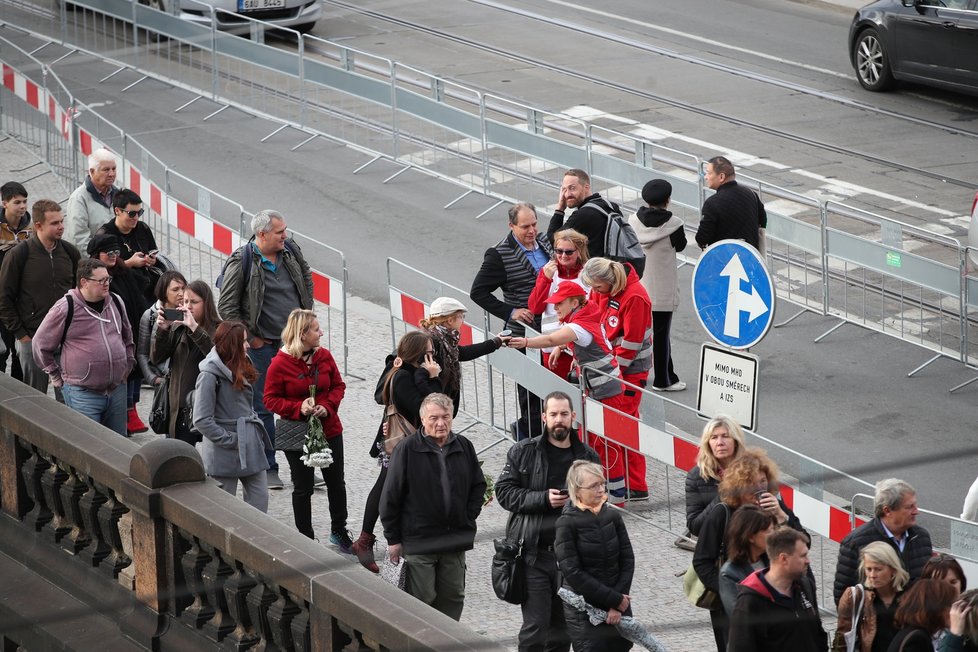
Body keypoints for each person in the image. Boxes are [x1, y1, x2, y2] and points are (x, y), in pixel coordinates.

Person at [495, 391, 600, 652]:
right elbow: (504, 492)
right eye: (553, 414)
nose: (559, 420)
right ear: (544, 417)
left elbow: (600, 503)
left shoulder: (587, 456)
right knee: (535, 629)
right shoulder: (524, 451)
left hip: (571, 560)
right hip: (534, 555)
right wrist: (542, 499)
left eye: (564, 414)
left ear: (573, 417)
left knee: (562, 632)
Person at [218, 209, 314, 490]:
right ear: (262, 234)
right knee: (263, 408)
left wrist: (306, 322)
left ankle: (305, 464)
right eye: (280, 232)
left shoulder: (291, 251)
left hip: (295, 346)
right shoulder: (242, 260)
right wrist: (253, 339)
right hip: (263, 348)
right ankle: (269, 466)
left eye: (285, 230)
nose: (286, 235)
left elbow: (306, 279)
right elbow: (227, 307)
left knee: (301, 404)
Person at [508, 283, 628, 503]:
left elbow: (555, 338)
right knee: (595, 441)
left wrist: (526, 342)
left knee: (605, 444)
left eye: (560, 303)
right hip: (603, 387)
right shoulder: (587, 311)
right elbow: (573, 340)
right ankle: (598, 490)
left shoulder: (579, 325)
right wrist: (563, 348)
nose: (555, 309)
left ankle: (616, 495)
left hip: (604, 390)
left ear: (575, 302)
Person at [380, 393, 486, 621]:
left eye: (446, 417)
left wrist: (468, 516)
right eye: (434, 418)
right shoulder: (407, 450)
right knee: (422, 599)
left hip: (454, 539)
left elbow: (478, 485)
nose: (441, 423)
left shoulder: (464, 446)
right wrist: (393, 539)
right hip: (419, 540)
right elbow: (390, 497)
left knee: (453, 597)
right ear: (423, 420)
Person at [693, 448, 807, 652]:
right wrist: (728, 589)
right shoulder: (722, 512)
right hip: (733, 602)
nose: (760, 487)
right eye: (752, 483)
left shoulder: (773, 506)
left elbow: (804, 544)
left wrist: (782, 516)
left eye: (763, 481)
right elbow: (702, 561)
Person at [351, 330, 442, 573]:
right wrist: (430, 377)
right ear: (418, 354)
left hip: (411, 443)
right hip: (399, 444)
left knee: (391, 489)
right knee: (385, 489)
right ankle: (366, 541)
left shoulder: (410, 373)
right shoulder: (403, 376)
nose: (433, 357)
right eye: (429, 353)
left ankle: (373, 540)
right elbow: (426, 408)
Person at [263, 309, 352, 551]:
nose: (321, 332)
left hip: (329, 428)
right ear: (302, 334)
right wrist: (298, 407)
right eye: (316, 329)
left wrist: (327, 406)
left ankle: (339, 530)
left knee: (336, 483)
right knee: (303, 487)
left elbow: (338, 385)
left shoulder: (324, 356)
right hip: (297, 433)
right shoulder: (279, 365)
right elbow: (270, 400)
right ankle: (306, 538)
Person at [470, 202, 553, 440]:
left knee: (553, 388)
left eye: (534, 224)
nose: (531, 231)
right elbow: (478, 292)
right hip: (524, 332)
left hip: (551, 327)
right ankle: (532, 442)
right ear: (511, 226)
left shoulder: (545, 242)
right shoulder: (499, 253)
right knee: (530, 392)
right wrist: (510, 312)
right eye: (525, 226)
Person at [32, 259, 134, 436]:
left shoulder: (116, 301)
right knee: (90, 447)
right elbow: (40, 344)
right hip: (83, 393)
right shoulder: (65, 307)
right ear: (84, 282)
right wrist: (56, 376)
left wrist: (127, 365)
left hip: (117, 389)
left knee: (119, 446)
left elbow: (127, 336)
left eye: (108, 279)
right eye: (101, 280)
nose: (106, 284)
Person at [580, 257, 652, 501]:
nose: (594, 292)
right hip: (614, 370)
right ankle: (633, 484)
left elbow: (631, 345)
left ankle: (635, 484)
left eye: (597, 288)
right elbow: (593, 316)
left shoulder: (635, 297)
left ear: (609, 282)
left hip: (629, 373)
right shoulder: (606, 289)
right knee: (622, 426)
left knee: (625, 427)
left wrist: (612, 373)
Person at [0, 199, 80, 399]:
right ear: (38, 225)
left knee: (68, 399)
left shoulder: (70, 253)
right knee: (36, 401)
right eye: (55, 223)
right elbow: (4, 298)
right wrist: (22, 336)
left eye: (62, 221)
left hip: (66, 339)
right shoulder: (19, 254)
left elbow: (79, 294)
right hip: (32, 337)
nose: (61, 227)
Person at [554, 460, 634, 652]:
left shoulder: (612, 516)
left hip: (618, 603)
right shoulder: (566, 523)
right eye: (594, 485)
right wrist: (614, 599)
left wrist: (617, 604)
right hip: (583, 610)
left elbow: (627, 559)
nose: (601, 489)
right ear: (578, 490)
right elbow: (573, 572)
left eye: (602, 484)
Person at [192, 321, 272, 512]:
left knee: (260, 503)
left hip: (250, 443)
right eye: (243, 341)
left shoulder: (244, 363)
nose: (248, 345)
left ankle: (255, 541)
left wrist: (249, 438)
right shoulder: (209, 376)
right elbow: (201, 419)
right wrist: (232, 440)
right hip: (224, 452)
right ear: (232, 345)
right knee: (223, 512)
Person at [87, 233, 150, 435]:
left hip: (132, 327)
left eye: (116, 251)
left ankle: (130, 411)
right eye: (109, 252)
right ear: (97, 254)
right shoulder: (94, 277)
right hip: (110, 334)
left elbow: (137, 298)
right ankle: (126, 413)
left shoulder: (122, 271)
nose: (114, 255)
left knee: (133, 370)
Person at [834, 478, 934, 606]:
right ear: (887, 511)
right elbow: (844, 598)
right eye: (909, 507)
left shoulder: (921, 537)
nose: (916, 511)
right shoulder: (856, 543)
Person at [727, 526, 827, 652]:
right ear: (784, 559)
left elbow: (818, 634)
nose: (808, 561)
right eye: (803, 556)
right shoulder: (750, 601)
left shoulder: (804, 586)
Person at [629, 178, 687, 391]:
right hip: (663, 290)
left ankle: (634, 374)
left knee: (635, 333)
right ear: (668, 200)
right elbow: (680, 246)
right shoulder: (675, 225)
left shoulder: (633, 221)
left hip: (638, 288)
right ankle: (663, 379)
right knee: (662, 336)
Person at [151, 279, 220, 445]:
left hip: (208, 403)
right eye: (186, 301)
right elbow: (156, 358)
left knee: (211, 458)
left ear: (207, 303)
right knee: (180, 454)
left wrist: (195, 329)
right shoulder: (178, 327)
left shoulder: (218, 328)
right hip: (180, 404)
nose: (188, 306)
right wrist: (163, 330)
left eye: (194, 302)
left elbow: (216, 358)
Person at [419, 296, 508, 416]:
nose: (463, 321)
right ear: (450, 320)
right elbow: (421, 378)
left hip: (439, 402)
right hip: (431, 406)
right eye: (461, 317)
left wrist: (495, 342)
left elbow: (462, 353)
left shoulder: (443, 338)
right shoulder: (431, 342)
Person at [526, 228, 590, 383]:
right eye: (558, 251)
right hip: (551, 345)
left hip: (579, 347)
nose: (562, 256)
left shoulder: (588, 274)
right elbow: (535, 308)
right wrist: (545, 280)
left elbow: (592, 312)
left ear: (579, 251)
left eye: (568, 252)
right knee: (558, 397)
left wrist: (564, 345)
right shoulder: (548, 271)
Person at [834, 541, 909, 652]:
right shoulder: (855, 596)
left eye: (878, 569)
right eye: (869, 569)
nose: (872, 575)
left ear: (893, 570)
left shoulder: (909, 595)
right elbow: (841, 640)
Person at [685, 415, 747, 537]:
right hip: (716, 550)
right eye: (714, 438)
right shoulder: (696, 476)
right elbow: (695, 527)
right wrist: (723, 496)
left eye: (725, 436)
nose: (720, 443)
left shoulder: (753, 470)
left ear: (736, 441)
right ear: (708, 444)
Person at [96, 188, 159, 302]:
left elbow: (153, 251)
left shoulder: (143, 228)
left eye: (139, 213)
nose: (136, 217)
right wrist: (129, 263)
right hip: (121, 290)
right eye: (131, 213)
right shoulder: (105, 235)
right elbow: (99, 269)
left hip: (147, 286)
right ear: (117, 211)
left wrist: (151, 260)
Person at [695, 156, 767, 251]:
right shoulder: (751, 194)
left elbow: (702, 238)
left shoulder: (712, 203)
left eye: (709, 173)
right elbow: (763, 221)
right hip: (750, 257)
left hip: (725, 260)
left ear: (721, 177)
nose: (706, 177)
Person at [547, 169, 620, 260]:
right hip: (616, 268)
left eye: (572, 188)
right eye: (564, 190)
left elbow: (554, 240)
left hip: (595, 271)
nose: (567, 194)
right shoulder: (611, 206)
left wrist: (560, 209)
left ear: (586, 187)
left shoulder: (582, 215)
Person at [718, 504, 775, 615]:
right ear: (750, 537)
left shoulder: (773, 559)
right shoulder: (730, 573)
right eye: (769, 531)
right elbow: (739, 616)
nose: (774, 535)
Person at [0, 181, 31, 379]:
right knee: (1, 353)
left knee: (22, 353)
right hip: (2, 298)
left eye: (25, 202)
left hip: (23, 299)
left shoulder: (31, 226)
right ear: (5, 204)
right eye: (17, 202)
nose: (22, 206)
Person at [137, 271, 187, 390]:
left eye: (184, 288)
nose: (181, 293)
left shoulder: (191, 312)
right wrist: (153, 379)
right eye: (175, 290)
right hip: (163, 380)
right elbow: (142, 353)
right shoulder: (150, 315)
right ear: (164, 292)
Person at [65, 148, 118, 251]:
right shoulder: (79, 198)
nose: (112, 174)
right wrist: (99, 262)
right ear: (92, 171)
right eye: (106, 170)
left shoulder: (118, 194)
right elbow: (79, 239)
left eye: (114, 168)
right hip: (94, 263)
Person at [887, 579, 957, 652]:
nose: (954, 611)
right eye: (952, 605)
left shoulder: (908, 632)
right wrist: (956, 633)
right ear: (938, 608)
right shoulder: (917, 639)